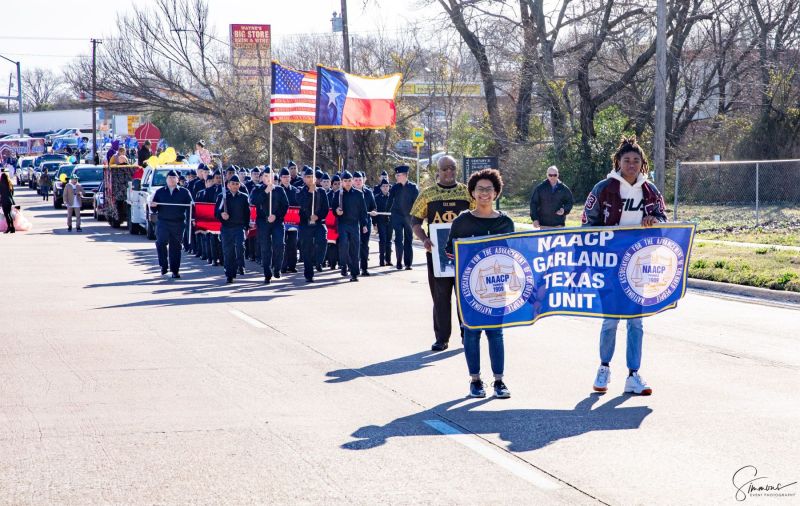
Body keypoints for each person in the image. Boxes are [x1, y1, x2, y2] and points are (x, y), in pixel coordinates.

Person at [582, 136, 667, 396]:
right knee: (610, 320)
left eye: (636, 160)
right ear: (618, 161)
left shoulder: (650, 190)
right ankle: (604, 367)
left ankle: (633, 374)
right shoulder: (604, 188)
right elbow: (587, 222)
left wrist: (655, 219)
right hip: (609, 264)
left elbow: (664, 219)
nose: (631, 164)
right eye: (626, 160)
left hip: (639, 265)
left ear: (642, 164)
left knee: (636, 322)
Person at [445, 169, 514, 398]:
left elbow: (513, 255)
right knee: (472, 333)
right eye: (480, 189)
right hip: (469, 289)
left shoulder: (506, 222)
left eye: (489, 189)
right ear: (472, 193)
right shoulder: (462, 221)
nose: (484, 194)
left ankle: (499, 381)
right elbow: (450, 251)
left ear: (496, 192)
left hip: (497, 289)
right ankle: (475, 380)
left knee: (496, 333)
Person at [411, 155, 474, 351]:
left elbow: (478, 216)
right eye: (445, 169)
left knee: (465, 295)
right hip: (438, 255)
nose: (449, 172)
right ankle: (442, 337)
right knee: (440, 297)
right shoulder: (427, 194)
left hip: (463, 254)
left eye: (453, 168)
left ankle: (468, 333)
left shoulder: (466, 192)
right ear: (437, 171)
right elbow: (415, 222)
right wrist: (424, 239)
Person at [150, 169, 193, 278]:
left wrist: (192, 219)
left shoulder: (184, 192)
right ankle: (163, 265)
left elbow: (191, 207)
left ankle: (175, 270)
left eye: (174, 178)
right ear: (166, 179)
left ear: (178, 180)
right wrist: (153, 205)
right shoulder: (160, 192)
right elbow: (154, 209)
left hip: (178, 223)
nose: (172, 180)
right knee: (161, 243)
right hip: (163, 222)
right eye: (170, 178)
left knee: (176, 247)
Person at [250, 169, 288, 284]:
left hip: (277, 222)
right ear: (262, 177)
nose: (268, 178)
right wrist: (266, 192)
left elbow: (285, 205)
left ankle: (277, 268)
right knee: (265, 248)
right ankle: (267, 273)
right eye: (265, 176)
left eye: (270, 175)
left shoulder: (280, 190)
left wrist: (276, 216)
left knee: (279, 244)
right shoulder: (257, 189)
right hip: (263, 222)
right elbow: (253, 201)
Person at [296, 167, 330, 282]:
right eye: (307, 177)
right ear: (304, 178)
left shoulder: (321, 191)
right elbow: (302, 203)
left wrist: (318, 216)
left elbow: (325, 208)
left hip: (319, 222)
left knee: (323, 240)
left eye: (312, 177)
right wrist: (310, 192)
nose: (310, 179)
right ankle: (308, 274)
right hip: (305, 223)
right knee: (306, 249)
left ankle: (318, 261)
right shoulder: (300, 190)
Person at [215, 174, 250, 283]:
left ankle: (240, 264)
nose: (235, 186)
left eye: (237, 184)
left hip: (239, 227)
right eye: (232, 184)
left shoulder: (244, 197)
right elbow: (216, 211)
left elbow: (247, 213)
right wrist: (221, 215)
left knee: (240, 247)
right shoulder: (222, 196)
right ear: (228, 185)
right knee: (228, 251)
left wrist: (247, 226)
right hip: (226, 227)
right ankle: (230, 274)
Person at [335, 171, 368, 282]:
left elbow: (363, 211)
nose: (348, 183)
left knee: (355, 248)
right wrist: (337, 211)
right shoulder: (338, 194)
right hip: (343, 224)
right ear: (342, 182)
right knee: (344, 245)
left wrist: (364, 224)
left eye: (349, 180)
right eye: (345, 181)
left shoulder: (358, 194)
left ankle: (354, 273)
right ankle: (344, 265)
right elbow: (334, 207)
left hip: (354, 224)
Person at [387, 165, 419, 270]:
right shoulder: (395, 187)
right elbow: (390, 201)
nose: (396, 177)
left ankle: (408, 263)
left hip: (409, 217)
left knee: (408, 240)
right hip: (397, 216)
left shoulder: (413, 187)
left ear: (405, 175)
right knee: (398, 239)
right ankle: (399, 262)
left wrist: (417, 217)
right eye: (396, 175)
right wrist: (386, 213)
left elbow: (416, 204)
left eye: (398, 175)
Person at [353, 171, 378, 276]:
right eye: (356, 180)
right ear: (353, 181)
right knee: (354, 245)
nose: (358, 182)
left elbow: (373, 206)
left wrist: (373, 212)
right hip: (353, 222)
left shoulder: (368, 192)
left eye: (360, 180)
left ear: (363, 180)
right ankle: (352, 267)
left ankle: (364, 268)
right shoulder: (350, 192)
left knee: (364, 245)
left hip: (366, 221)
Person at [279, 168, 300, 273]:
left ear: (290, 178)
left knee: (292, 244)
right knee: (283, 244)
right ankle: (283, 265)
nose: (286, 179)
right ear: (280, 178)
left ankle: (292, 265)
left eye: (288, 177)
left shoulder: (295, 190)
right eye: (284, 177)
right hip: (281, 221)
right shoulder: (277, 190)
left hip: (293, 222)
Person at [373, 178, 392, 266]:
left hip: (390, 222)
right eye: (383, 186)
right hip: (381, 222)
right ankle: (381, 260)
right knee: (383, 240)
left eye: (387, 186)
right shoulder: (376, 198)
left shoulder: (392, 197)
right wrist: (374, 223)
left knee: (389, 241)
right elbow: (374, 211)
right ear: (380, 188)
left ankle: (388, 260)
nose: (385, 188)